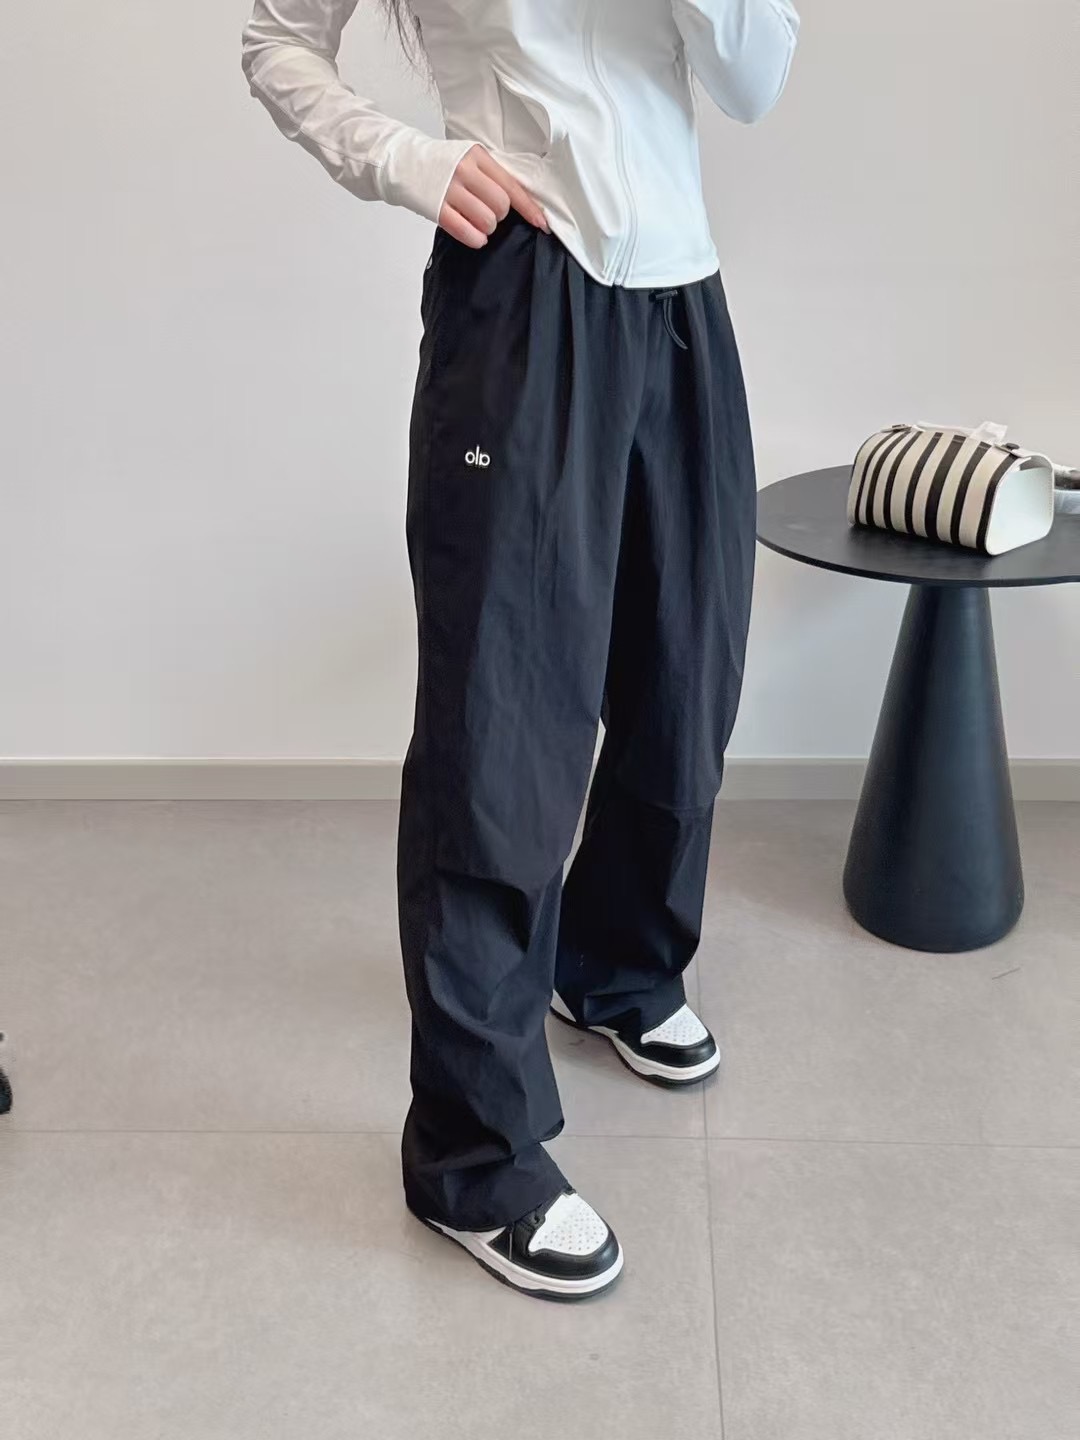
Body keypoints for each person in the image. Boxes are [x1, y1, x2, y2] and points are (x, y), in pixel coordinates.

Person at [240, 0, 800, 1301]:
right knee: (502, 718)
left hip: (681, 295)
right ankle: (473, 1153)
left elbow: (755, 78)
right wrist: (412, 161)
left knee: (685, 672)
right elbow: (275, 38)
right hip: (525, 294)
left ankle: (615, 966)